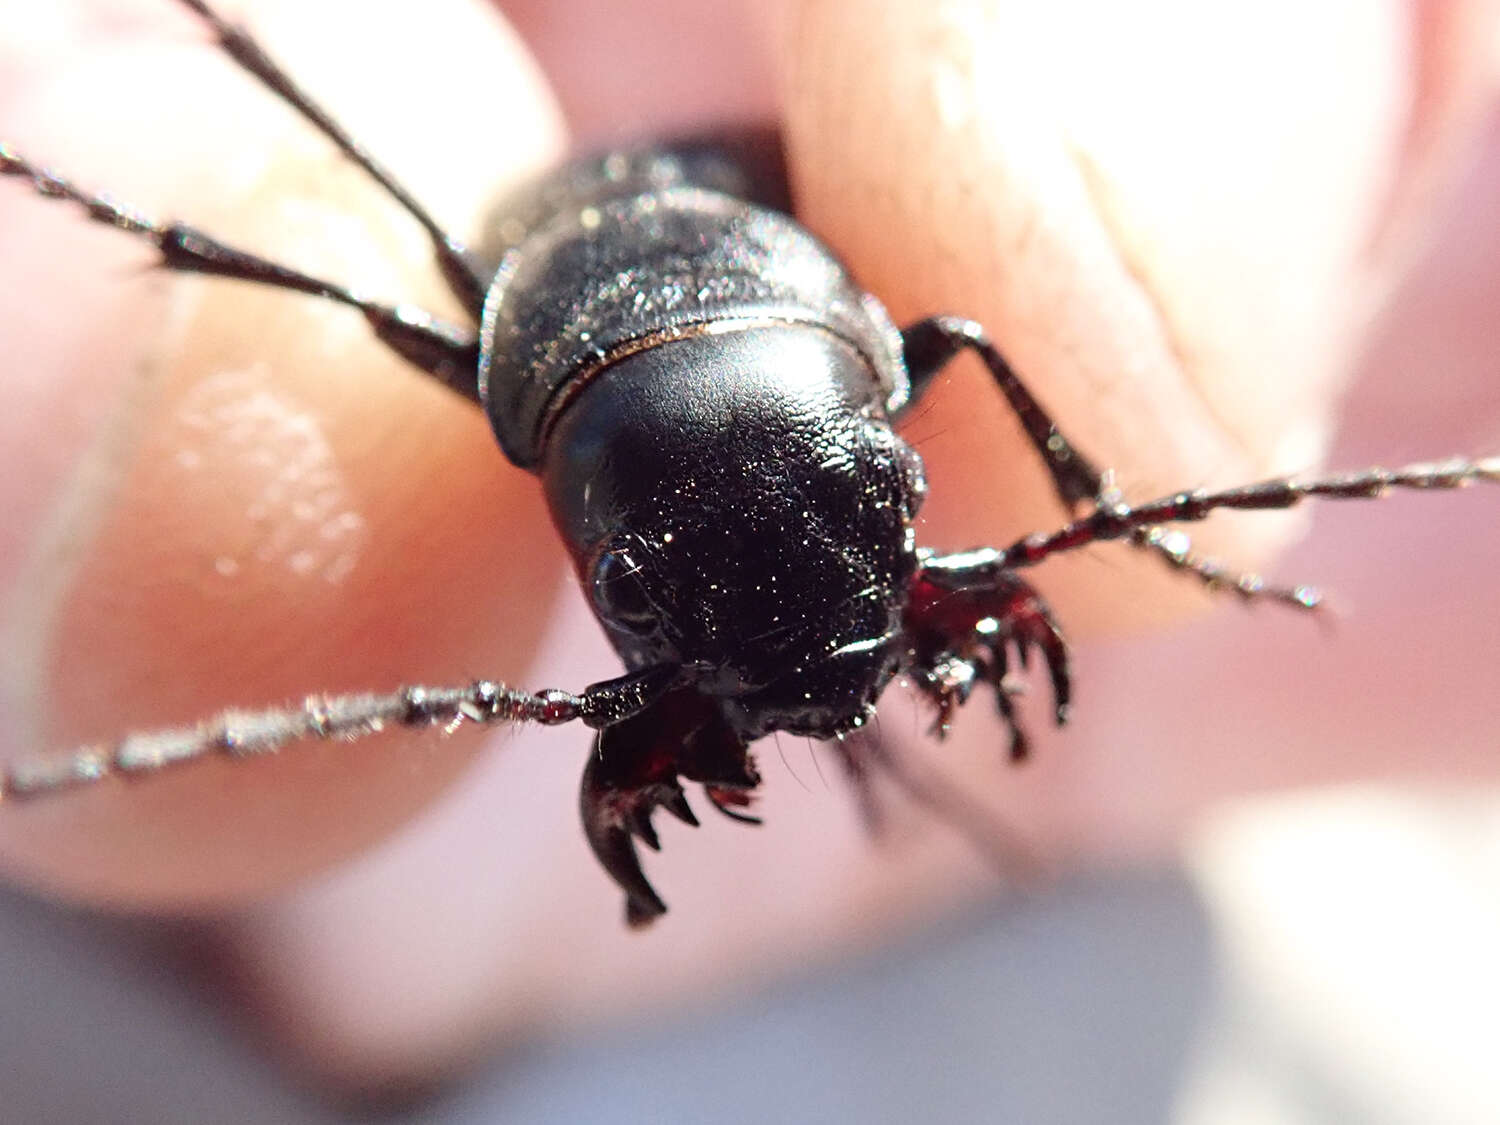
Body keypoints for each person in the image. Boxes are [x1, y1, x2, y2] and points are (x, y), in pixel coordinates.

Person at [0, 0, 1496, 1098]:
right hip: (631, 272)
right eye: (649, 587)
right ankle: (155, 171)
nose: (819, 665)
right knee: (363, 257)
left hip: (717, 263)